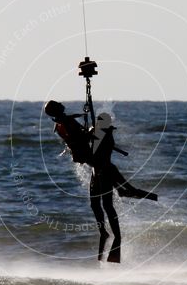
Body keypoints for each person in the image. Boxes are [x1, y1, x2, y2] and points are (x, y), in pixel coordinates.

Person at [44, 102, 157, 263]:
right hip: (98, 168)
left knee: (104, 204)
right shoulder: (65, 124)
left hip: (101, 168)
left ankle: (114, 233)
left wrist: (91, 131)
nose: (62, 104)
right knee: (101, 203)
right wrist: (90, 132)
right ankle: (108, 229)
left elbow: (82, 137)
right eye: (59, 105)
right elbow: (79, 137)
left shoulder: (65, 122)